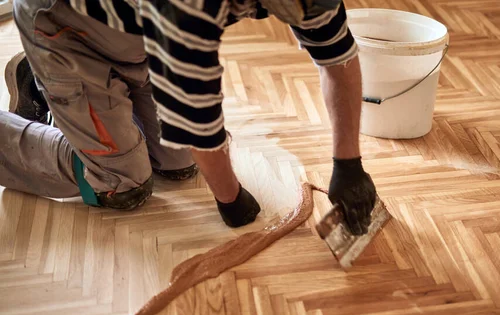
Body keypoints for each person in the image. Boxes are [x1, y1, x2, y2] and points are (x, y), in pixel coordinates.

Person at [1, 0, 376, 234]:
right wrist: (230, 200)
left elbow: (337, 59)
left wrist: (349, 164)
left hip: (141, 35)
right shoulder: (190, 7)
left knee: (179, 165)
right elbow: (198, 118)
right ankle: (49, 82)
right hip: (65, 29)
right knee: (123, 185)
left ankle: (63, 94)